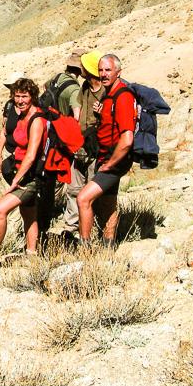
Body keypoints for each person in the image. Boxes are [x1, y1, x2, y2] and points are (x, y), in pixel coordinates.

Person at [0, 78, 46, 271]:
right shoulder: (21, 115)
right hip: (21, 173)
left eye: (24, 96)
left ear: (32, 96)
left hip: (30, 177)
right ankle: (32, 256)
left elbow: (31, 155)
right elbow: (6, 133)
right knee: (29, 214)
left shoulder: (36, 120)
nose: (20, 100)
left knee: (0, 210)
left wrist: (16, 181)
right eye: (17, 96)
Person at [76, 54, 136, 245]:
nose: (103, 74)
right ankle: (109, 243)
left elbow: (127, 138)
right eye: (101, 70)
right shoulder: (109, 95)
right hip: (106, 156)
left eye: (108, 70)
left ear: (119, 71)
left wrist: (110, 165)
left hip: (115, 159)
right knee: (108, 202)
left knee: (83, 199)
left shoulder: (123, 96)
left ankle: (84, 248)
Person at [60, 48, 114, 236]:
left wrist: (103, 112)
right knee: (73, 189)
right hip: (79, 146)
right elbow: (78, 112)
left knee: (92, 192)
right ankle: (70, 229)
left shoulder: (106, 92)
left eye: (82, 65)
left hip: (95, 148)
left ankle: (94, 230)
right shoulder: (84, 87)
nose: (80, 68)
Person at [37, 50, 85, 237]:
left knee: (49, 176)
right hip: (62, 135)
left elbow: (45, 87)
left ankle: (45, 213)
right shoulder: (74, 89)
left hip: (49, 131)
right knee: (64, 174)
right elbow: (77, 115)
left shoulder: (57, 78)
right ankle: (58, 218)